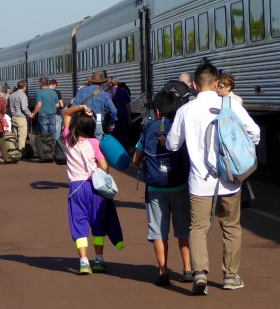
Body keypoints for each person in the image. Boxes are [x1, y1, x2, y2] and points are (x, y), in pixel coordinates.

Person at [166, 63, 260, 295]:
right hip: (230, 180)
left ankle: (199, 274)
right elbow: (255, 134)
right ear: (217, 83)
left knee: (197, 228)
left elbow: (172, 144)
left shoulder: (185, 110)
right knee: (231, 227)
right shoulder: (231, 105)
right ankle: (230, 276)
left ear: (195, 85)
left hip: (200, 181)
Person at [133, 89, 192, 287]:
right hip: (180, 186)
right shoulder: (179, 128)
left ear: (157, 111)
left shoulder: (148, 129)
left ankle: (163, 271)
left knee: (158, 231)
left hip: (155, 188)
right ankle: (187, 269)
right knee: (183, 229)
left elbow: (136, 159)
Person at [63, 104, 110, 275]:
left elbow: (66, 113)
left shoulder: (69, 139)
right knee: (97, 223)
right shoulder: (94, 143)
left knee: (79, 224)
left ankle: (83, 261)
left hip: (76, 187)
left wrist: (80, 107)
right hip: (94, 186)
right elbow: (103, 165)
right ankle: (98, 259)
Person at [70, 72, 117, 141]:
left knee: (82, 144)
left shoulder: (81, 91)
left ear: (91, 81)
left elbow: (73, 108)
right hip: (97, 122)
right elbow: (114, 111)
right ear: (101, 83)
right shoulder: (104, 94)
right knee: (97, 145)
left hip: (82, 121)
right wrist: (111, 123)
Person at [9, 80, 33, 152]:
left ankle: (15, 151)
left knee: (15, 136)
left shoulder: (12, 95)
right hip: (21, 118)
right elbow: (24, 107)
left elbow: (11, 107)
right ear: (24, 87)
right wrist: (29, 114)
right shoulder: (23, 95)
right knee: (22, 136)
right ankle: (21, 152)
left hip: (14, 117)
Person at [108, 77, 131, 148]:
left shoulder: (108, 93)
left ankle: (115, 150)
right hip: (123, 115)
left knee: (114, 134)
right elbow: (128, 106)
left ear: (111, 84)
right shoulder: (124, 92)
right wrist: (129, 117)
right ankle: (125, 150)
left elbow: (106, 107)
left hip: (113, 116)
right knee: (124, 134)